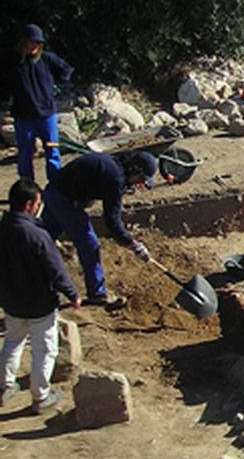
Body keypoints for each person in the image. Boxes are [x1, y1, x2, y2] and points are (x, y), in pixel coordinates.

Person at [0, 178, 79, 414]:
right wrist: (72, 294)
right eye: (37, 203)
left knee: (12, 343)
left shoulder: (2, 230)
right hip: (39, 304)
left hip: (11, 302)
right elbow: (55, 269)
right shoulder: (36, 235)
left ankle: (4, 387)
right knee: (44, 350)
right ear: (28, 205)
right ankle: (41, 396)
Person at [41, 151, 154, 306]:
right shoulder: (115, 178)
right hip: (64, 200)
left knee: (42, 240)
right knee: (89, 244)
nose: (138, 184)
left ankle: (24, 272)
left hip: (54, 192)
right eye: (140, 179)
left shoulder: (114, 165)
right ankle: (97, 293)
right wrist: (133, 244)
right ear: (134, 169)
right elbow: (112, 221)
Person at [3, 24, 73, 181]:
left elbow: (66, 70)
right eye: (31, 41)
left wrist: (57, 88)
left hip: (47, 116)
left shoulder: (47, 59)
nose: (34, 46)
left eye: (37, 42)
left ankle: (55, 186)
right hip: (24, 118)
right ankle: (27, 188)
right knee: (25, 154)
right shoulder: (13, 62)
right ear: (23, 42)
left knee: (53, 152)